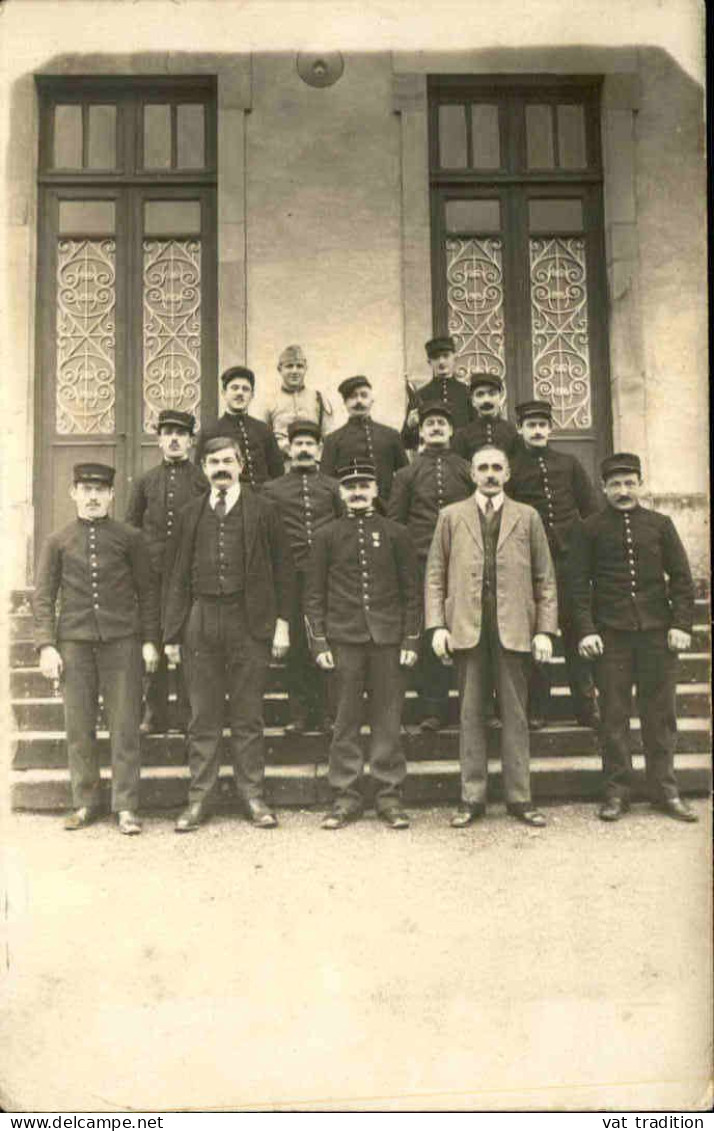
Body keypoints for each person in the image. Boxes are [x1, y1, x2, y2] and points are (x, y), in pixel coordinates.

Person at [162, 436, 294, 832]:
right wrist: (172, 634)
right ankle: (199, 799)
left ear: (241, 465)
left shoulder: (265, 511)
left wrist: (283, 623)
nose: (221, 468)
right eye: (214, 462)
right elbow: (174, 576)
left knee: (247, 715)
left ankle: (253, 796)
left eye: (228, 461)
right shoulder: (189, 514)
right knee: (202, 716)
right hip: (200, 621)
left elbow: (285, 571)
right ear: (203, 468)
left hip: (248, 621)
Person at [425, 445, 558, 827]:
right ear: (471, 473)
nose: (490, 474)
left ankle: (520, 798)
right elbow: (435, 575)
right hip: (467, 627)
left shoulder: (528, 517)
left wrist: (545, 630)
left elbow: (545, 578)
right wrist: (437, 626)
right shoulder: (450, 517)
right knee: (470, 714)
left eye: (497, 467)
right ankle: (472, 797)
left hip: (514, 627)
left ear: (508, 473)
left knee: (515, 715)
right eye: (482, 467)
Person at [568, 452, 698, 823]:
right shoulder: (588, 528)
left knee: (661, 716)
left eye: (629, 483)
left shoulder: (660, 524)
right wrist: (587, 630)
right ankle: (617, 792)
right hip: (611, 637)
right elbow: (577, 587)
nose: (623, 491)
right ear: (603, 487)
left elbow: (683, 580)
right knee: (613, 717)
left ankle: (665, 790)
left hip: (658, 635)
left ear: (640, 484)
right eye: (615, 484)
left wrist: (681, 625)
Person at [32, 463, 160, 834]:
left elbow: (148, 593)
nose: (92, 497)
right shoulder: (57, 540)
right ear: (73, 493)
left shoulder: (129, 538)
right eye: (85, 489)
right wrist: (45, 646)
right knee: (79, 726)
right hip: (74, 644)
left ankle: (126, 806)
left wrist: (150, 641)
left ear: (111, 495)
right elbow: (43, 597)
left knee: (124, 726)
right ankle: (86, 802)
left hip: (122, 643)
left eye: (100, 490)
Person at [304, 459, 420, 829]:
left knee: (388, 719)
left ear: (375, 491)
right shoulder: (326, 535)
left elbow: (412, 593)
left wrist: (411, 639)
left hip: (388, 639)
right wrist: (319, 642)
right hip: (343, 639)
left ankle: (388, 796)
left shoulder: (397, 533)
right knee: (345, 720)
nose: (357, 492)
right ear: (340, 493)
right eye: (350, 486)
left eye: (364, 485)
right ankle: (346, 796)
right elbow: (313, 595)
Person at [507, 399, 600, 728]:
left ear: (550, 429)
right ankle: (538, 708)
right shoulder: (512, 468)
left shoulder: (569, 464)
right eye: (530, 425)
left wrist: (590, 554)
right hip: (531, 563)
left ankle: (586, 706)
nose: (536, 430)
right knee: (537, 634)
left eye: (542, 425)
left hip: (570, 560)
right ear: (520, 429)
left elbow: (590, 509)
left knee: (577, 630)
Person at [387, 402, 473, 729]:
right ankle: (433, 709)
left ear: (451, 431)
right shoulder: (406, 474)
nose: (436, 428)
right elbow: (396, 521)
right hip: (423, 562)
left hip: (465, 561)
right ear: (420, 432)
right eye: (429, 424)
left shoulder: (467, 469)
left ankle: (475, 708)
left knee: (469, 629)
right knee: (430, 633)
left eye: (442, 424)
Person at [125, 409, 208, 734]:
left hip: (192, 577)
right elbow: (131, 529)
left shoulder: (202, 480)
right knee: (155, 642)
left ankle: (190, 713)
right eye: (167, 433)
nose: (174, 439)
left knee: (190, 644)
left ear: (190, 440)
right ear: (159, 440)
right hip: (155, 577)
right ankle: (154, 712)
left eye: (180, 433)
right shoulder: (146, 482)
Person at [262, 419, 342, 733]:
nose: (305, 449)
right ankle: (299, 714)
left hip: (328, 577)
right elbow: (267, 534)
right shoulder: (272, 489)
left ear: (319, 449)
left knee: (325, 642)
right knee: (296, 646)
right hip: (290, 576)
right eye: (299, 444)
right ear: (289, 449)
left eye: (310, 444)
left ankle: (325, 714)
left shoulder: (333, 487)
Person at [320, 376, 407, 502]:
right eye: (353, 396)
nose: (358, 401)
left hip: (388, 510)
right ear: (345, 403)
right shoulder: (333, 440)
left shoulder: (391, 436)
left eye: (364, 395)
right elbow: (326, 484)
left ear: (372, 400)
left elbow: (404, 477)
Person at [195, 365, 284, 488]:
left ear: (252, 395)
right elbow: (201, 476)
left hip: (262, 500)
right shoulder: (210, 432)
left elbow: (278, 472)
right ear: (224, 393)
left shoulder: (263, 430)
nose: (240, 393)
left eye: (245, 389)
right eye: (234, 388)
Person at [262, 344, 333, 461]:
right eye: (289, 366)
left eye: (299, 366)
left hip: (312, 464)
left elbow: (329, 438)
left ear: (305, 369)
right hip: (282, 465)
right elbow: (263, 439)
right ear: (280, 369)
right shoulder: (269, 402)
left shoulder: (318, 398)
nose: (295, 371)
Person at [401, 336, 473, 450]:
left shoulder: (467, 393)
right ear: (429, 362)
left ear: (454, 358)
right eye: (436, 357)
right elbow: (406, 442)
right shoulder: (421, 395)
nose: (441, 361)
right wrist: (410, 425)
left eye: (445, 356)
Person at [451, 373, 519, 463]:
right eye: (480, 395)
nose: (486, 400)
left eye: (492, 394)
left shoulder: (511, 432)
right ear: (473, 401)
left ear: (501, 398)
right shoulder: (463, 435)